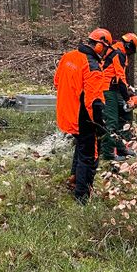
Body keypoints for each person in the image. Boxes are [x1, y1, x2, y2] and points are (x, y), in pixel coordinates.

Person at [54, 29, 111, 204]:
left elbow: (57, 82)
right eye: (106, 47)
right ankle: (82, 197)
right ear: (100, 44)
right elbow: (93, 102)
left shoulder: (68, 56)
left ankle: (74, 179)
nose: (106, 51)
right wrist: (100, 125)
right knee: (90, 155)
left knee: (81, 146)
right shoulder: (92, 65)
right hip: (83, 118)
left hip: (66, 113)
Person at [101, 32, 137, 161]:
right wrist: (127, 98)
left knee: (125, 115)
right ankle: (108, 153)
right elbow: (120, 78)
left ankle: (121, 147)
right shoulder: (118, 53)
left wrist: (127, 90)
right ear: (129, 46)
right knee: (112, 121)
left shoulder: (118, 51)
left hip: (113, 89)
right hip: (107, 89)